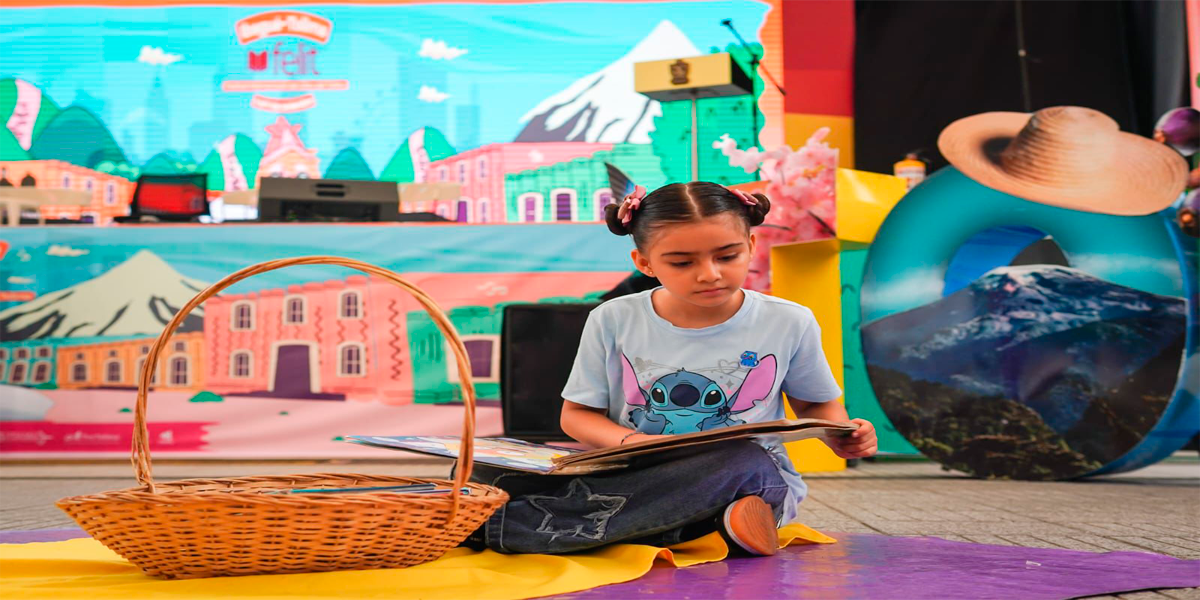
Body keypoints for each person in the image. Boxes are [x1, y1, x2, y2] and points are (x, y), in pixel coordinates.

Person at [466, 182, 878, 556]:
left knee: (744, 462)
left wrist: (842, 436)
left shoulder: (788, 320)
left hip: (740, 475)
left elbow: (816, 406)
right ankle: (700, 528)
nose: (710, 274)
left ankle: (505, 528)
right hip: (633, 471)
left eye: (728, 256)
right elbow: (576, 416)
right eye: (682, 263)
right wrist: (635, 443)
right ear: (645, 263)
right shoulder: (613, 318)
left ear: (751, 245)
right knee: (482, 468)